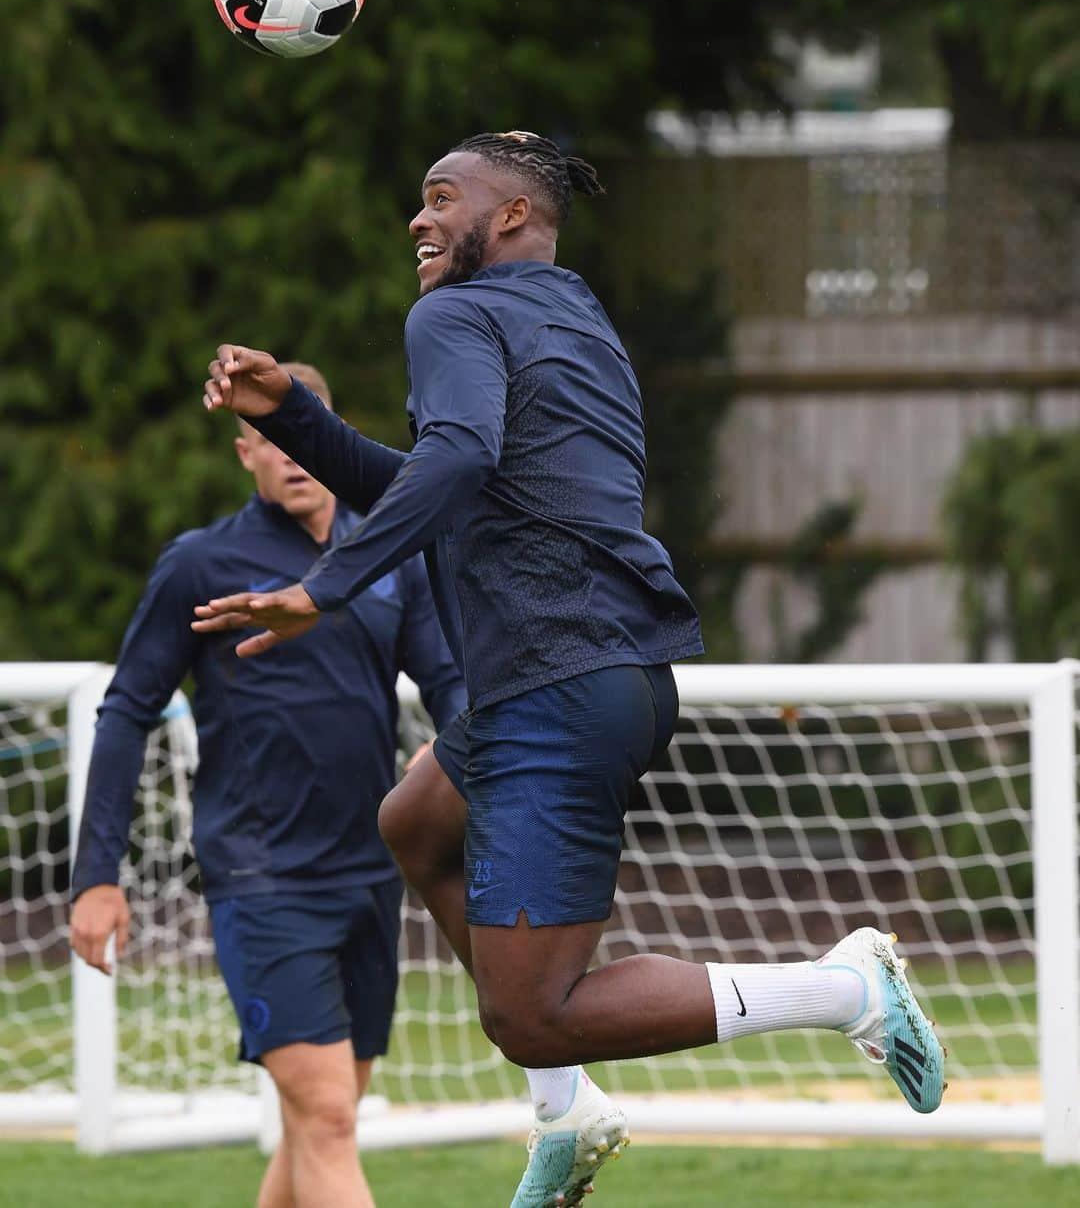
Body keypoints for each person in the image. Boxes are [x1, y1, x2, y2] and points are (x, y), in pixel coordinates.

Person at [193, 133, 947, 1208]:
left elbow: (455, 463)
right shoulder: (573, 316)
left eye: (439, 197)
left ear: (507, 218)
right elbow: (449, 473)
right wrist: (298, 420)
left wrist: (324, 588)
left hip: (551, 686)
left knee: (530, 1015)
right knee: (414, 823)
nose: (417, 219)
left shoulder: (452, 315)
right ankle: (568, 1112)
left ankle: (843, 991)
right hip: (598, 677)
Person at [70, 362, 466, 1208]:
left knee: (320, 1122)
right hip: (260, 880)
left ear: (330, 436)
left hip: (370, 875)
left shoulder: (387, 553)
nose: (291, 455)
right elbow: (127, 710)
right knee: (326, 1117)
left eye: (304, 433)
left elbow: (450, 687)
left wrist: (477, 762)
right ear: (247, 450)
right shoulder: (200, 564)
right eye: (271, 439)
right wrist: (97, 874)